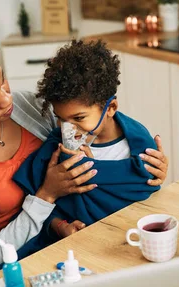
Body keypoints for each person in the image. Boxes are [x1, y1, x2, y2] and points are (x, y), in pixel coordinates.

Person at [0, 6, 169, 274]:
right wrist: (47, 195)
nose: (7, 100)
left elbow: (97, 118)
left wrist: (148, 162)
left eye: (3, 81)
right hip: (14, 267)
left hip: (73, 242)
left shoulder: (31, 106)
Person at [13, 40, 160, 256]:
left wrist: (95, 169)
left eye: (79, 117)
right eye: (61, 119)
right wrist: (60, 226)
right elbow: (38, 204)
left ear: (110, 108)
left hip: (131, 245)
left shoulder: (138, 145)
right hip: (78, 252)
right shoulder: (56, 149)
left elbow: (148, 189)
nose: (68, 129)